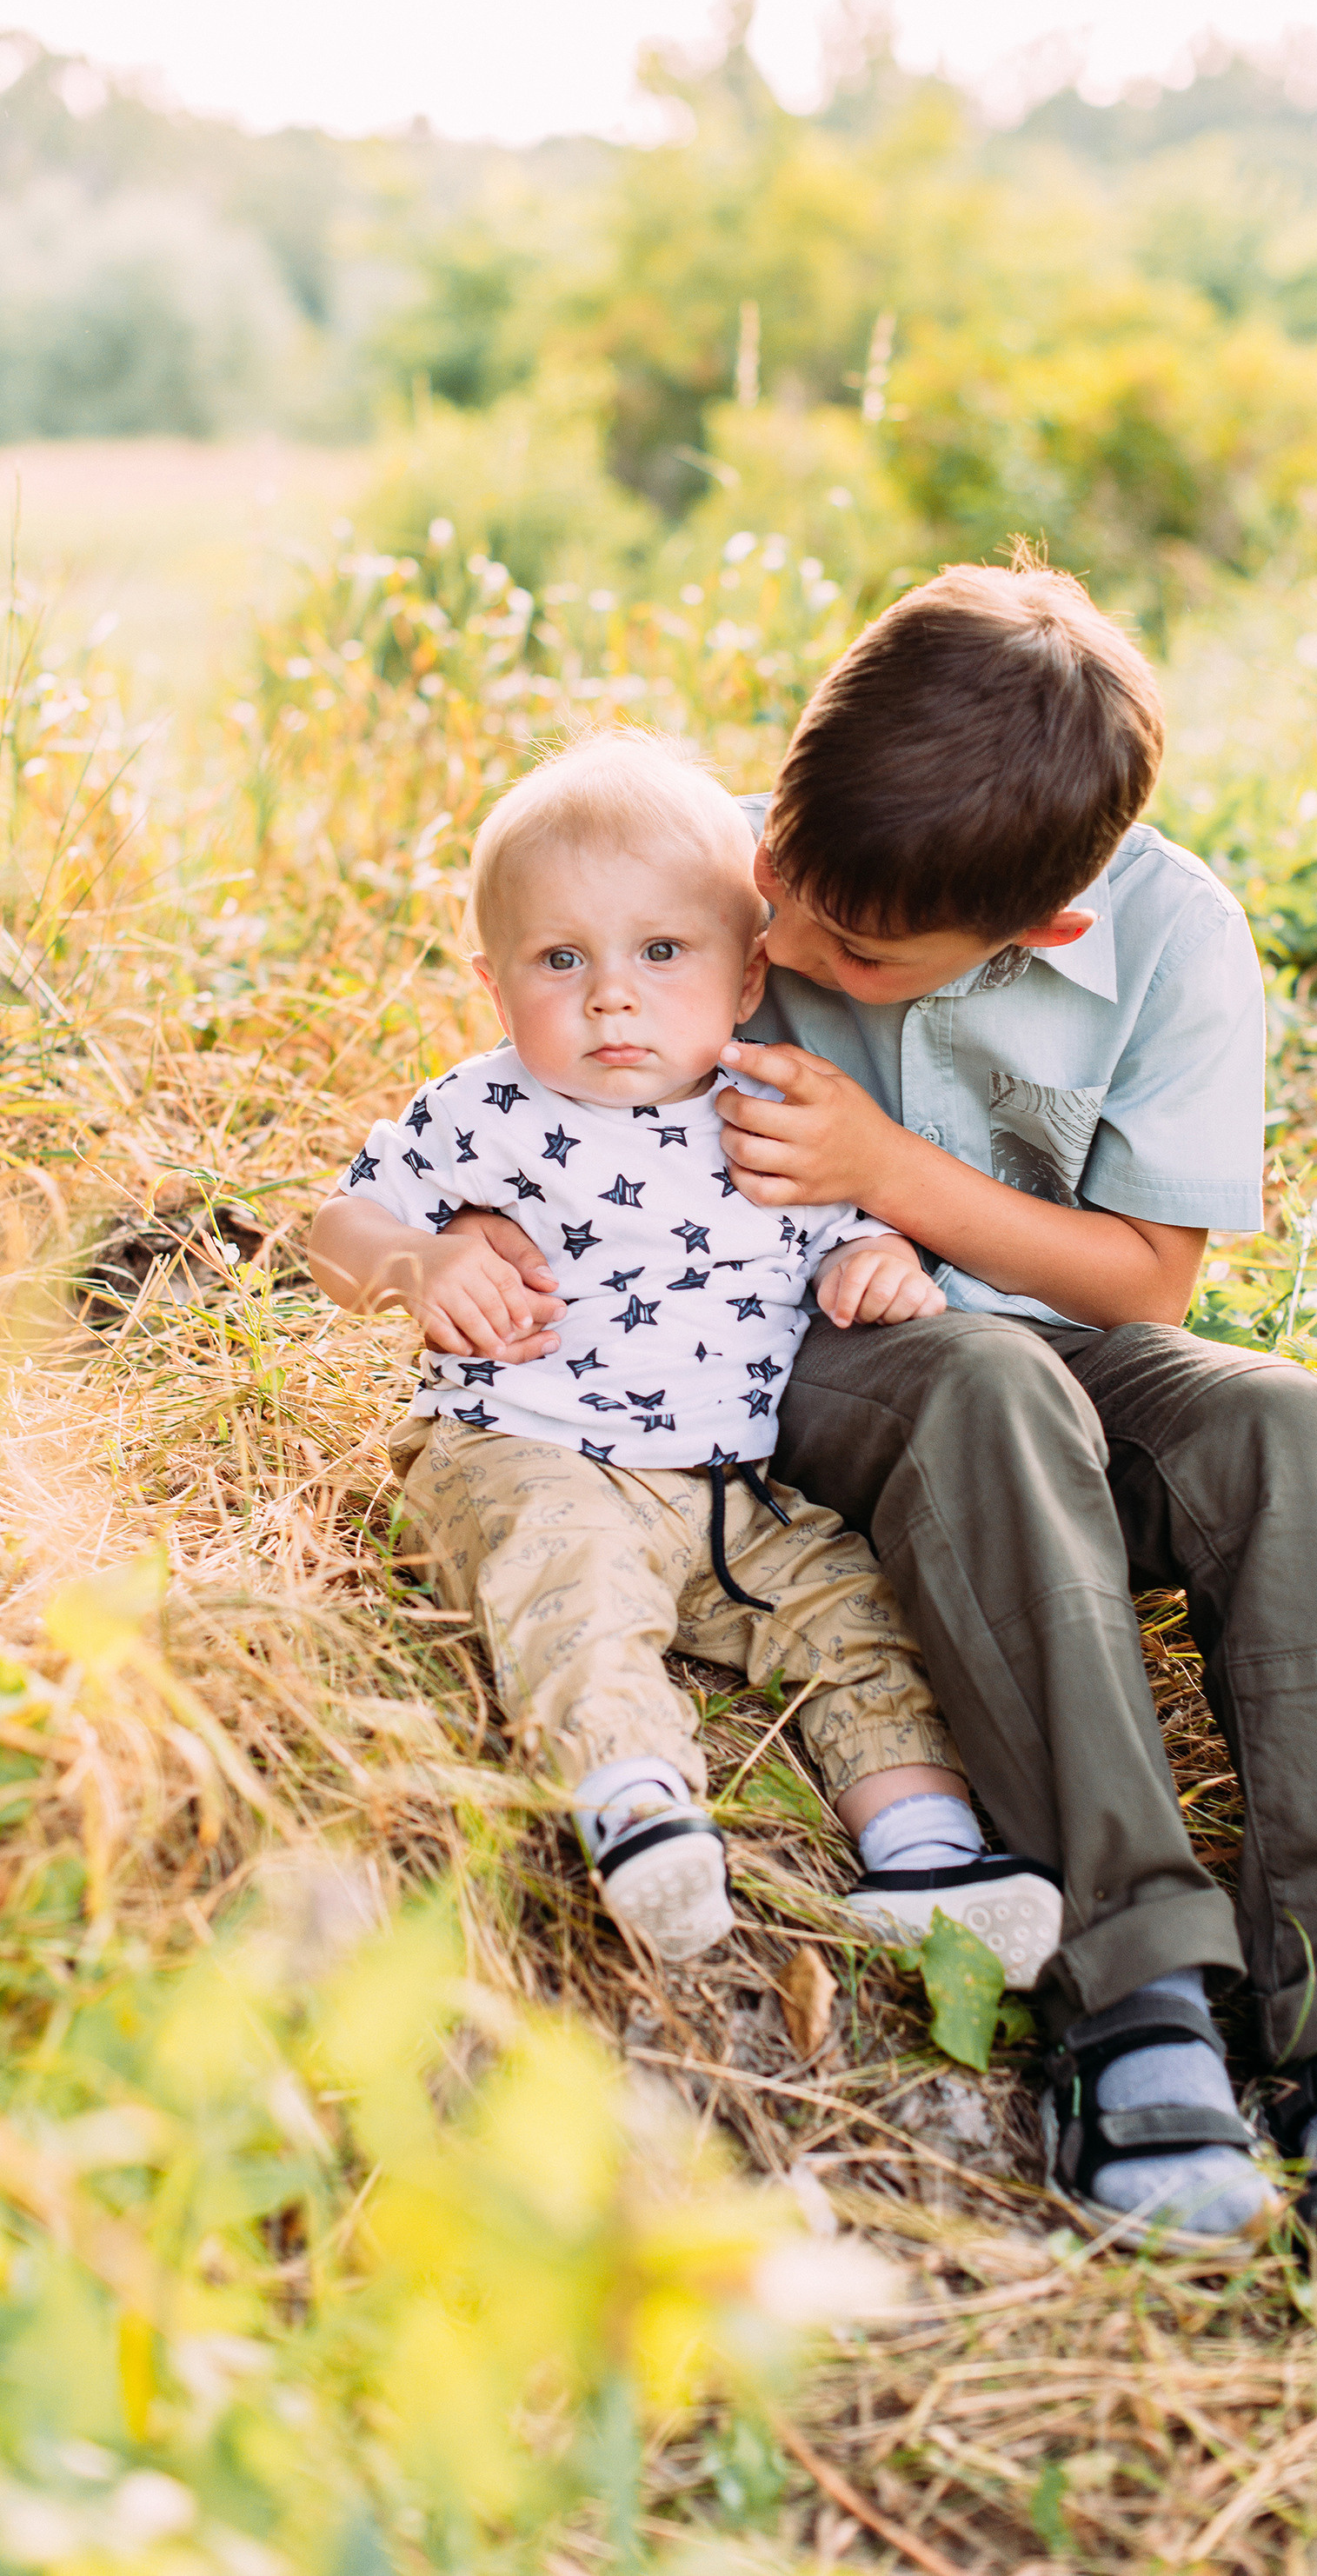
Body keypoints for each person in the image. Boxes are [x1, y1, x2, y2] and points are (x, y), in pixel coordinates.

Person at [462, 563, 1317, 2297]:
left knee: (1289, 1431)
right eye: (780, 879)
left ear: (1041, 929)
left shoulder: (1170, 940)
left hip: (1069, 1340)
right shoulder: (736, 869)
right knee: (989, 1386)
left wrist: (891, 1173)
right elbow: (534, 1064)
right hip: (811, 1356)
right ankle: (1135, 1981)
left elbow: (1147, 1281)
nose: (784, 941)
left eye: (849, 954)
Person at [307, 729, 1062, 1981]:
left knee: (852, 1612)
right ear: (494, 985)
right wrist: (418, 1264)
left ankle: (926, 1853)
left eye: (662, 952)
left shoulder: (774, 1116)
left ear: (748, 971)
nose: (613, 996)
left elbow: (854, 1228)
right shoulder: (486, 1111)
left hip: (731, 1494)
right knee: (569, 1586)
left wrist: (877, 1262)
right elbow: (337, 1231)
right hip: (524, 1449)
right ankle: (638, 1807)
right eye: (562, 959)